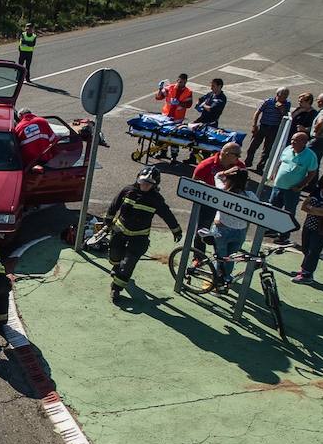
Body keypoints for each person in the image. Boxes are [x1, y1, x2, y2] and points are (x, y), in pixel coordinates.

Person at [104, 166, 182, 304]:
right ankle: (116, 267)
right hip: (120, 230)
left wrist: (176, 229)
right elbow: (114, 204)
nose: (144, 185)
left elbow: (167, 214)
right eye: (142, 182)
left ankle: (116, 288)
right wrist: (108, 220)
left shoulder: (156, 199)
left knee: (128, 264)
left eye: (149, 183)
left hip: (139, 236)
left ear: (155, 185)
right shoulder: (127, 191)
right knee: (115, 255)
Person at [191, 142, 246, 249]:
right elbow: (194, 183)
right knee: (202, 229)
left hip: (227, 204)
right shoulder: (206, 164)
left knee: (223, 230)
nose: (239, 158)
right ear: (225, 153)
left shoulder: (239, 166)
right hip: (208, 202)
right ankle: (198, 256)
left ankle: (219, 256)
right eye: (237, 155)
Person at [208, 168, 255, 292]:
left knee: (220, 258)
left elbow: (217, 175)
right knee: (230, 258)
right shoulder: (250, 196)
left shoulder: (223, 191)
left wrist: (226, 172)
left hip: (221, 230)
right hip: (240, 232)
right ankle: (226, 279)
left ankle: (217, 283)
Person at [268, 132, 318, 244]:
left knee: (288, 213)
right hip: (278, 186)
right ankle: (271, 230)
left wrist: (300, 186)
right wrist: (275, 175)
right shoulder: (287, 149)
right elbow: (280, 163)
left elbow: (312, 173)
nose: (292, 142)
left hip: (292, 190)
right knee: (273, 209)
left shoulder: (310, 156)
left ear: (304, 142)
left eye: (296, 140)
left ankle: (284, 235)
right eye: (292, 139)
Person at [292, 171, 323, 284]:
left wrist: (312, 208)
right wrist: (317, 210)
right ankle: (304, 270)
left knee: (314, 250)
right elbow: (303, 206)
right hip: (308, 225)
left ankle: (307, 275)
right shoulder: (316, 191)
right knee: (306, 248)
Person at [244, 87, 290, 173]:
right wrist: (254, 125)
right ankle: (247, 163)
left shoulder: (287, 104)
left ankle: (260, 167)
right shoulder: (268, 102)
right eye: (282, 96)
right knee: (252, 146)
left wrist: (281, 109)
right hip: (263, 126)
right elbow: (257, 113)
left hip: (274, 128)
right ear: (277, 95)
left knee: (267, 149)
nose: (283, 98)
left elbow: (286, 116)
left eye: (285, 97)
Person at [154, 73, 193, 160]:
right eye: (179, 81)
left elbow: (189, 104)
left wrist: (179, 103)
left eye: (183, 82)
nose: (180, 84)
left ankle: (174, 156)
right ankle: (163, 152)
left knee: (174, 138)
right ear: (177, 80)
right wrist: (160, 89)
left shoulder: (188, 92)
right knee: (162, 135)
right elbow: (158, 97)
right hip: (166, 117)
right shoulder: (169, 88)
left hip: (177, 119)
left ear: (185, 82)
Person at [307, 93, 323, 170]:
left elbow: (320, 122)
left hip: (319, 140)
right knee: (316, 160)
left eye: (318, 100)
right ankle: (313, 180)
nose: (317, 102)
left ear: (321, 102)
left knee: (306, 156)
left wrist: (316, 133)